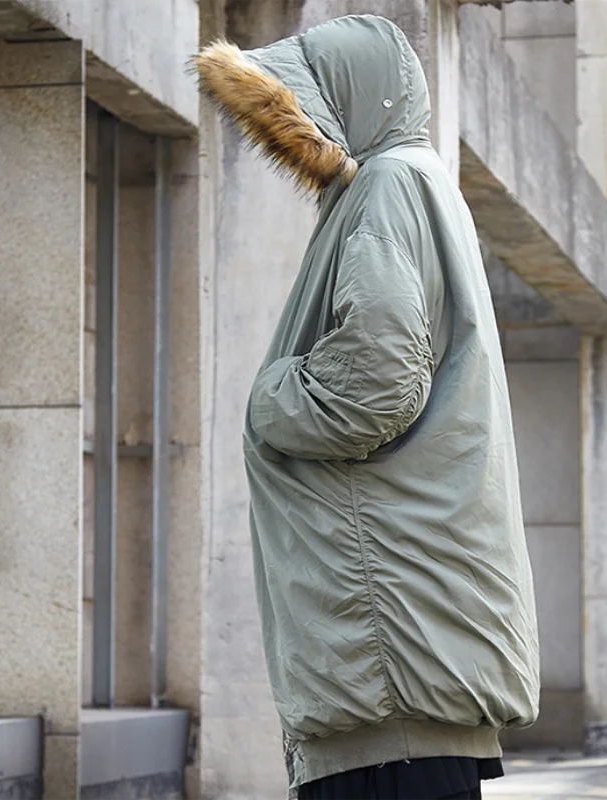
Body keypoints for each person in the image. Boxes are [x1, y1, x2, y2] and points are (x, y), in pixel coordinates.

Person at [196, 14, 540, 800]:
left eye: (301, 104)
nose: (297, 128)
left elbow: (371, 389)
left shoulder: (389, 186)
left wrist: (268, 398)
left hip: (388, 654)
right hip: (403, 646)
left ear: (359, 99)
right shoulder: (412, 184)